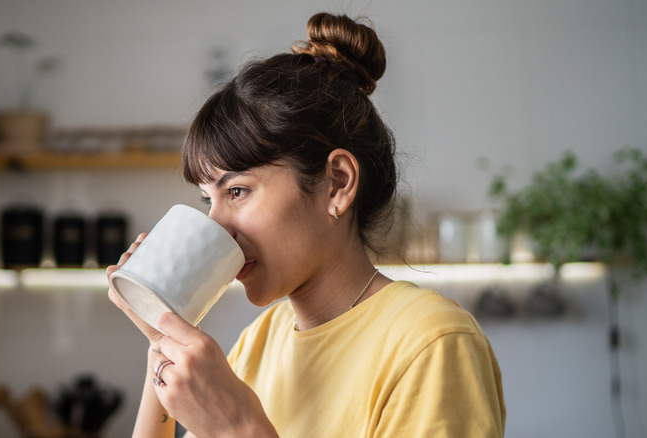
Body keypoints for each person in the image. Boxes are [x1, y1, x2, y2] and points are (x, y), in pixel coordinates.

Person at [107, 12, 506, 438]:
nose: (217, 226)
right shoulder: (259, 343)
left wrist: (240, 429)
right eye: (209, 199)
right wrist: (162, 340)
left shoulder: (432, 343)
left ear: (337, 184)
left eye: (238, 191)